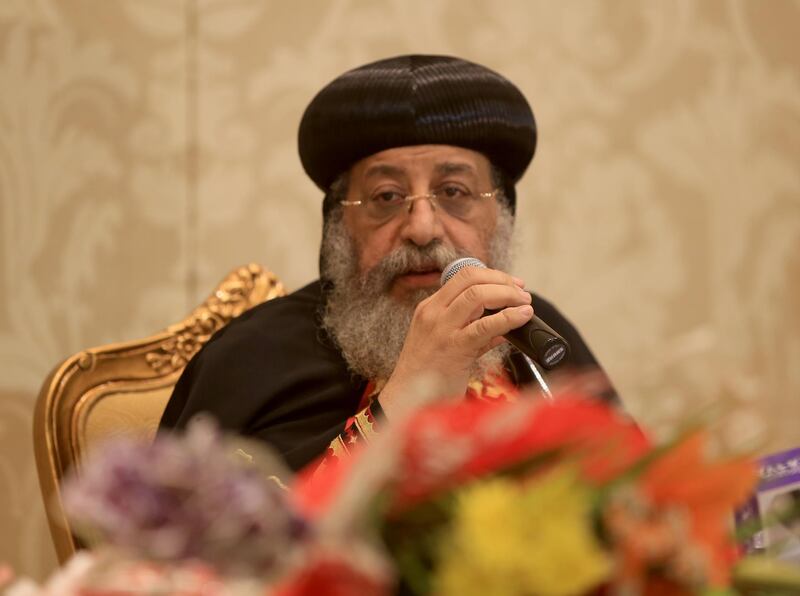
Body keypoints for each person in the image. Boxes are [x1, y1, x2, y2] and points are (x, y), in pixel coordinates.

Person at [159, 54, 616, 472]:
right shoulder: (255, 357)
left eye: (454, 192)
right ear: (340, 224)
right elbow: (216, 545)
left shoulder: (533, 330)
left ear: (500, 216)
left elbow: (639, 503)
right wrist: (406, 399)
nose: (421, 228)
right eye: (386, 197)